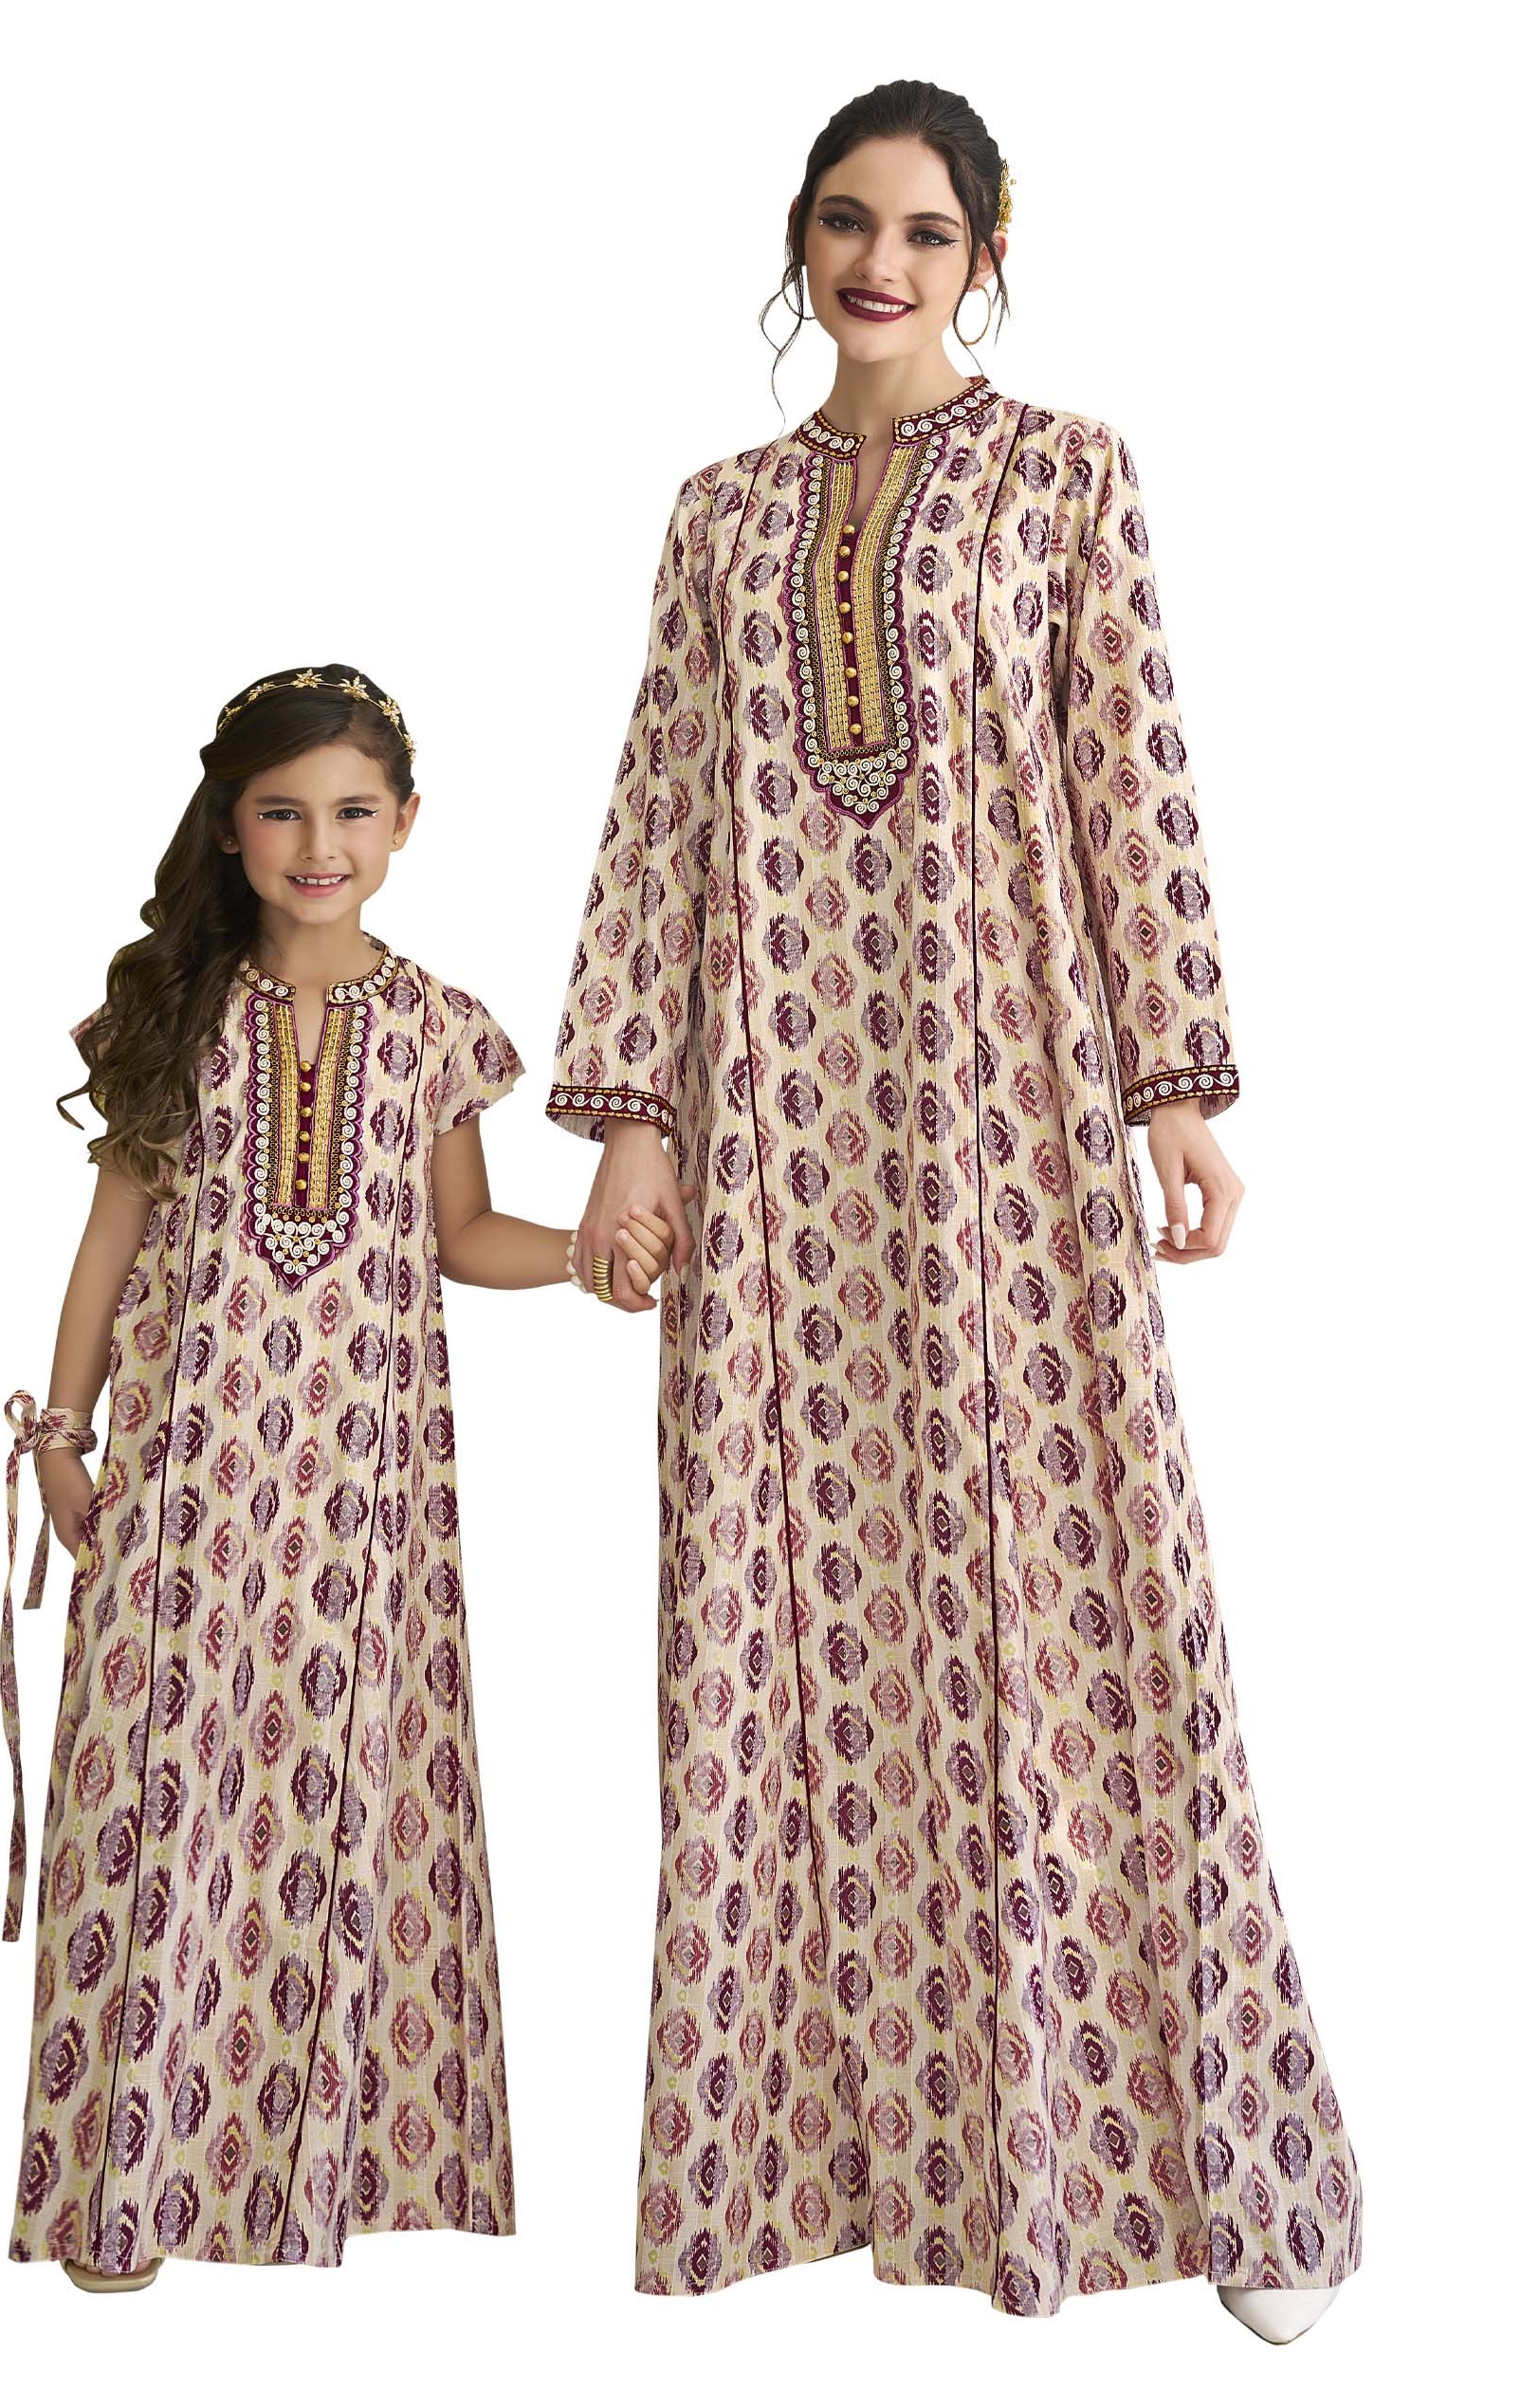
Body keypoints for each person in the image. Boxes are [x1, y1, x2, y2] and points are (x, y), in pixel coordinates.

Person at [551, 83, 1362, 2342]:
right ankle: (821, 2164)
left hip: (1005, 1123)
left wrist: (1175, 1085)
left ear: (989, 252)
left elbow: (1133, 779)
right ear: (797, 238)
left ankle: (1222, 2163)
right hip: (769, 1130)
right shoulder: (719, 517)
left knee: (1083, 1594)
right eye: (844, 221)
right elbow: (659, 811)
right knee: (779, 1612)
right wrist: (632, 1121)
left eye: (924, 230)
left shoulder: (1067, 478)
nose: (878, 264)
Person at [0, 662, 673, 2289]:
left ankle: (315, 2175)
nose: (321, 845)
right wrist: (66, 1435)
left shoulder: (439, 1027)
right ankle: (130, 2186)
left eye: (353, 812)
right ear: (232, 828)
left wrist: (595, 1258)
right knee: (154, 1810)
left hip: (363, 1508)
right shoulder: (176, 1015)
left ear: (406, 824)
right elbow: (110, 1239)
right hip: (184, 1491)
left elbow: (461, 1236)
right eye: (284, 812)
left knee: (331, 1805)